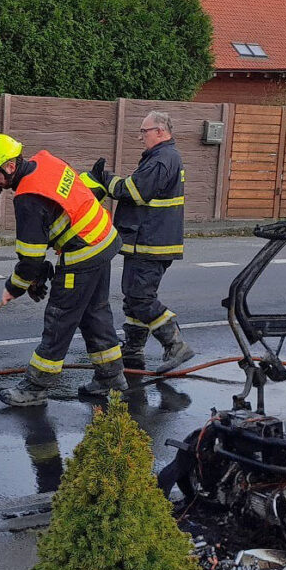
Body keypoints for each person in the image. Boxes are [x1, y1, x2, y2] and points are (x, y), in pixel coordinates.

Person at [0, 133, 125, 407]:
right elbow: (58, 214)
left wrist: (14, 287)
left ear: (9, 166)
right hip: (103, 240)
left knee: (59, 319)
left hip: (84, 252)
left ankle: (35, 388)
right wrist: (40, 269)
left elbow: (30, 257)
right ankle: (111, 378)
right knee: (95, 313)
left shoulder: (27, 197)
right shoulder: (45, 162)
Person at [88, 111, 193, 373]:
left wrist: (106, 179)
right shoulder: (161, 157)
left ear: (160, 131)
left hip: (151, 243)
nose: (140, 137)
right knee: (132, 297)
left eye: (143, 132)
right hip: (144, 242)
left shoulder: (163, 159)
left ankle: (175, 344)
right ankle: (133, 351)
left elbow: (135, 192)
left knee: (141, 297)